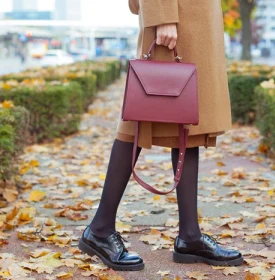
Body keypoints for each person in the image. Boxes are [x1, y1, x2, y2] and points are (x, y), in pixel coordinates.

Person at [78, 0, 243, 271]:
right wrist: (163, 15)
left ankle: (189, 235)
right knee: (140, 117)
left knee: (188, 120)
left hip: (195, 19)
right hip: (177, 18)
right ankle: (100, 227)